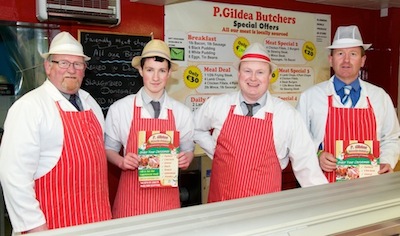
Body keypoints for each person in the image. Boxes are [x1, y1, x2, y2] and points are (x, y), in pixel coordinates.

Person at [0, 31, 112, 233]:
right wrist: (33, 226)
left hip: (97, 222)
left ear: (84, 69)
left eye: (78, 64)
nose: (71, 70)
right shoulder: (30, 107)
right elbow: (13, 175)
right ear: (48, 67)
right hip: (52, 226)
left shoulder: (91, 104)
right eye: (63, 63)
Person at [193, 42, 328, 203]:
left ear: (270, 76)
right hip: (222, 210)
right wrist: (215, 150)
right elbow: (193, 128)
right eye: (247, 71)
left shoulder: (286, 115)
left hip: (266, 212)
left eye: (260, 72)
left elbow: (306, 165)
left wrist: (324, 203)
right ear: (239, 74)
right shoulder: (217, 104)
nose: (253, 78)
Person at [296, 25, 400, 182]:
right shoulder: (310, 97)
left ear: (362, 60)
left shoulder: (380, 97)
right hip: (322, 185)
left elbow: (392, 138)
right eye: (340, 54)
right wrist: (317, 154)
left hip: (369, 184)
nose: (346, 60)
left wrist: (387, 160)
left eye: (353, 54)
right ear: (330, 60)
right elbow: (299, 140)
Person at [105, 39, 195, 218]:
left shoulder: (182, 112)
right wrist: (121, 161)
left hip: (167, 204)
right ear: (140, 70)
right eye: (150, 70)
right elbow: (108, 149)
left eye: (161, 71)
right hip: (131, 204)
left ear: (169, 73)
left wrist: (186, 160)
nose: (155, 77)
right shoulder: (120, 108)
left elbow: (188, 150)